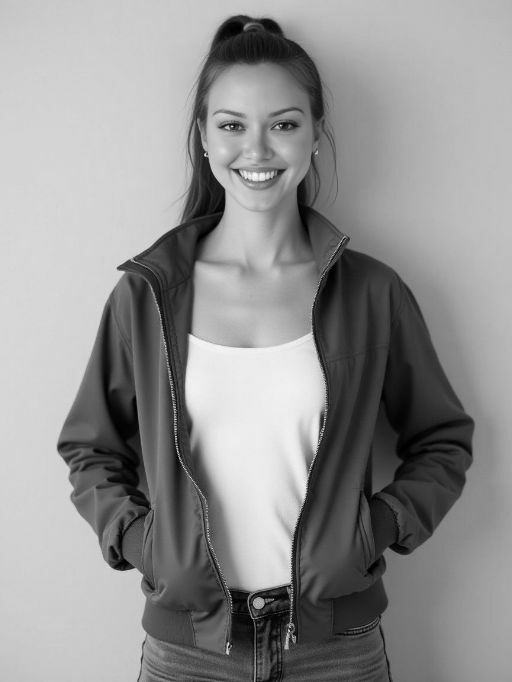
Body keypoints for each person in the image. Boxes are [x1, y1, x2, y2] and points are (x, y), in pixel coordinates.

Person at [56, 14, 474, 682]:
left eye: (283, 124)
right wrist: (145, 544)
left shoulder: (372, 293)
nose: (257, 148)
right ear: (202, 137)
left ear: (315, 136)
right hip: (188, 651)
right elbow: (91, 448)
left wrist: (373, 531)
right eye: (232, 125)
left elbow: (443, 440)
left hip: (337, 648)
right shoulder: (147, 295)